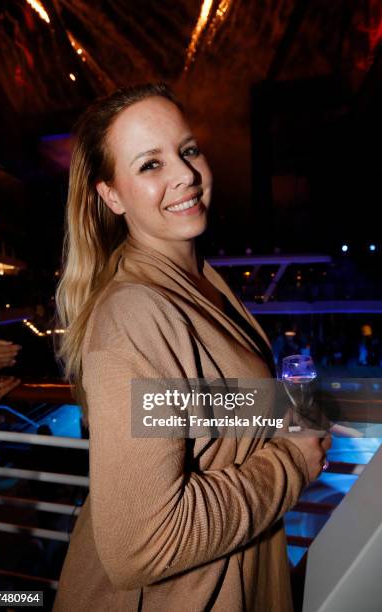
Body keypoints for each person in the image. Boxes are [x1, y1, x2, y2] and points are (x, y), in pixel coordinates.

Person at [53, 83, 331, 612]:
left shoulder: (199, 278)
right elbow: (143, 544)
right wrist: (291, 464)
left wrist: (276, 411)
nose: (185, 173)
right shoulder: (135, 313)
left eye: (187, 150)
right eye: (150, 165)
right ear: (111, 195)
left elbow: (185, 408)